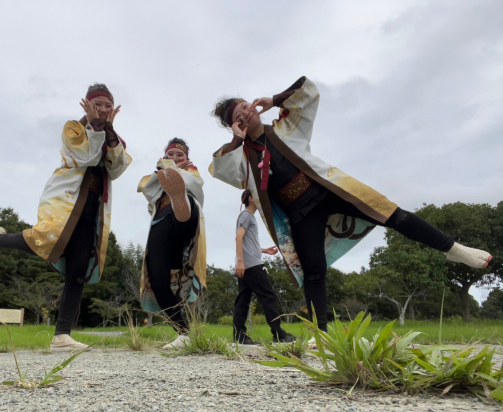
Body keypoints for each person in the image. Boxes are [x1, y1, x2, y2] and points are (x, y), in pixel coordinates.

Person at [209, 76, 492, 332]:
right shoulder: (242, 159)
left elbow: (309, 92)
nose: (245, 113)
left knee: (392, 214)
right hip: (301, 213)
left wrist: (274, 100)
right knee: (314, 272)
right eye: (237, 117)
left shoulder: (286, 127)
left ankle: (453, 249)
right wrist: (237, 139)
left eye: (244, 106)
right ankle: (321, 333)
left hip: (330, 191)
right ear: (236, 126)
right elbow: (219, 168)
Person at [0, 83, 132, 352]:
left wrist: (108, 130)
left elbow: (117, 168)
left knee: (78, 270)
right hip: (65, 199)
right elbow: (87, 157)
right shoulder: (74, 128)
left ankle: (62, 336)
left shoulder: (114, 138)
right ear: (87, 105)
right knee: (45, 238)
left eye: (107, 105)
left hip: (92, 209)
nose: (102, 109)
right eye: (97, 104)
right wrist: (95, 126)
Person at [137, 138, 206, 349]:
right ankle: (184, 334)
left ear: (187, 158)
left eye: (180, 155)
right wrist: (167, 171)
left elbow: (197, 186)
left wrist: (178, 173)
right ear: (164, 156)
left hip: (185, 221)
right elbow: (147, 190)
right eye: (170, 155)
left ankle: (180, 201)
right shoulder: (157, 174)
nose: (175, 158)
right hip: (160, 222)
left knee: (185, 207)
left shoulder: (192, 171)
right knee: (158, 280)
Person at [234, 189, 296, 345]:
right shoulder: (246, 215)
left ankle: (239, 336)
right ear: (251, 199)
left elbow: (248, 243)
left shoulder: (248, 216)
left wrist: (264, 251)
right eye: (257, 196)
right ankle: (279, 334)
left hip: (247, 265)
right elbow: (238, 237)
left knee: (243, 300)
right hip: (252, 265)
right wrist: (240, 261)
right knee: (269, 297)